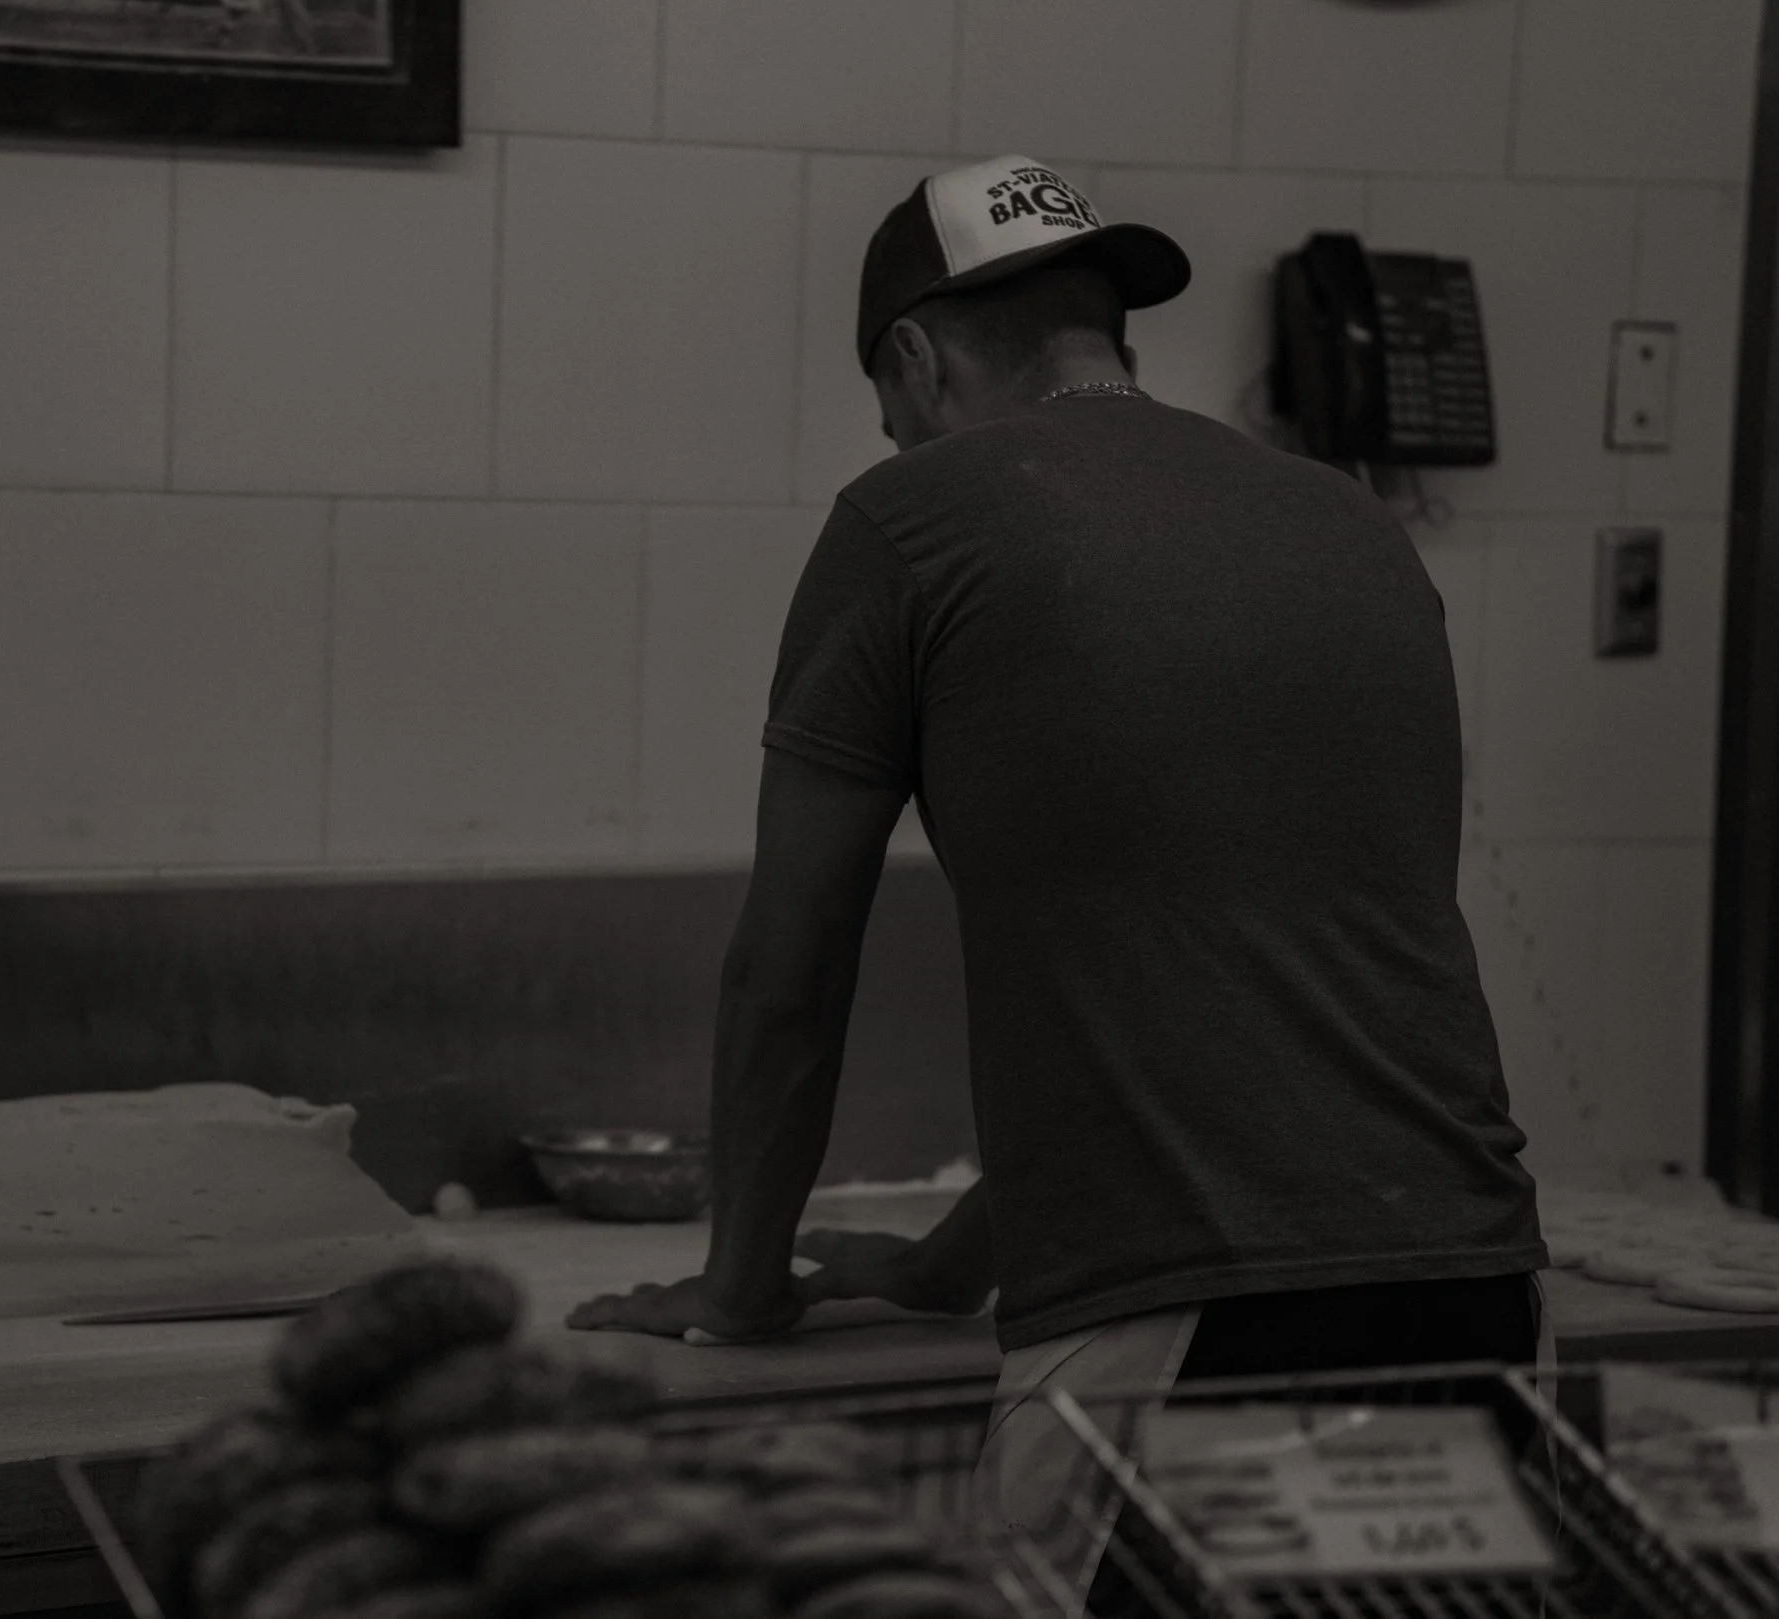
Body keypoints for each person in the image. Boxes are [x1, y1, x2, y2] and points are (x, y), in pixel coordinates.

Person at [568, 154, 1547, 1549]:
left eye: (887, 410)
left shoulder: (909, 522)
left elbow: (789, 967)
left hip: (1176, 1328)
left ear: (912, 359)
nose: (897, 439)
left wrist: (738, 1288)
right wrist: (941, 1266)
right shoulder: (1351, 523)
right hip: (1479, 1291)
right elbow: (1254, 976)